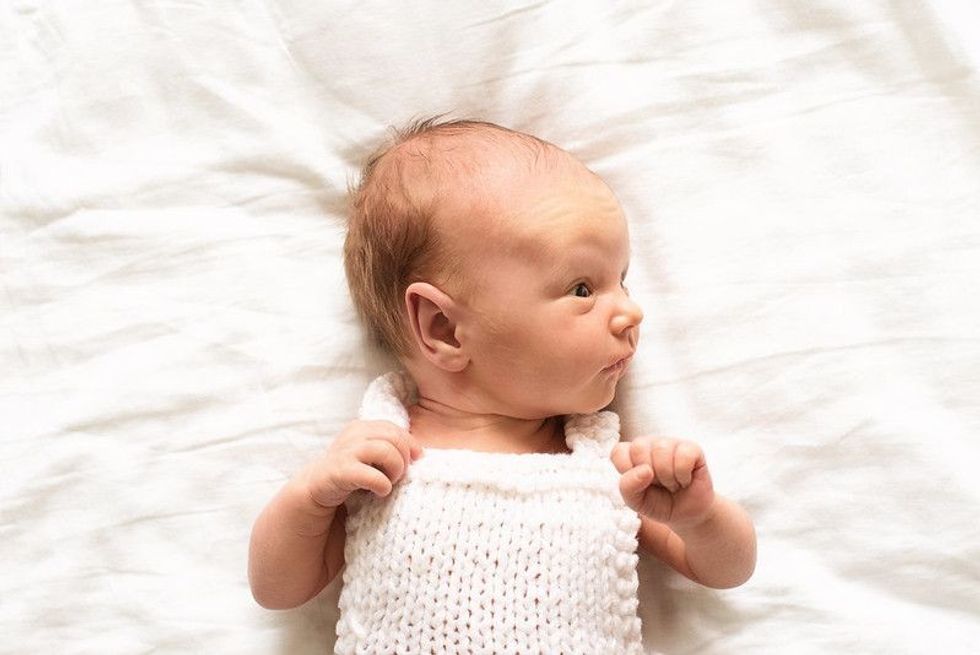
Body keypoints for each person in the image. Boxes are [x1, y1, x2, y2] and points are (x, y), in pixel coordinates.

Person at [248, 117, 757, 653]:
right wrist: (308, 499)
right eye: (583, 288)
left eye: (622, 280)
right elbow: (276, 590)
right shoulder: (378, 459)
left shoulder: (609, 470)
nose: (630, 311)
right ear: (443, 328)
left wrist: (700, 517)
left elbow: (730, 570)